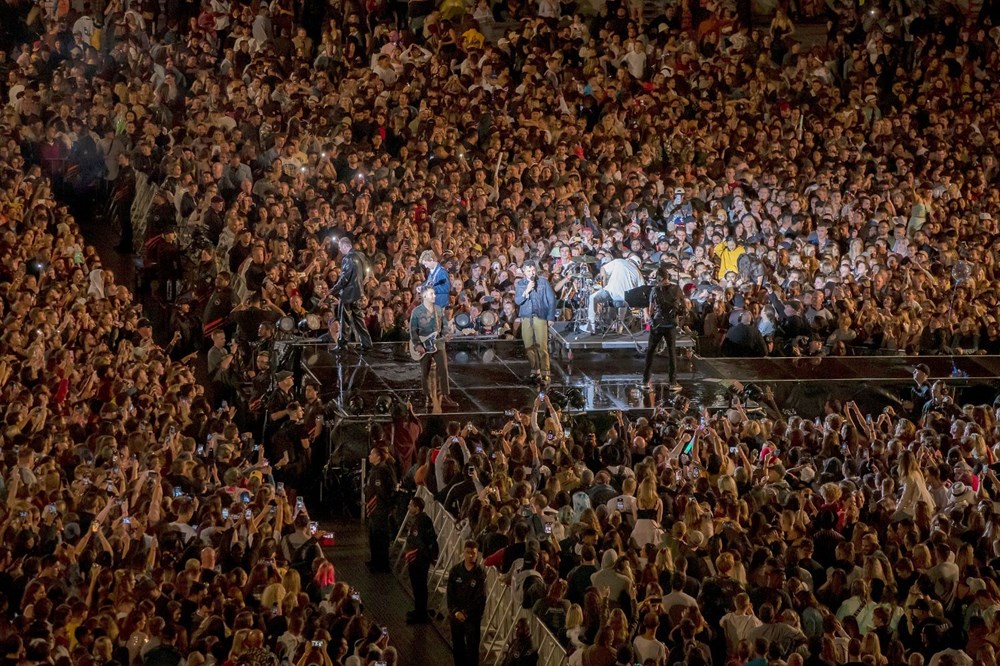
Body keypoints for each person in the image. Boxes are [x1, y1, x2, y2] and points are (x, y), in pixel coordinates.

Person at [409, 286, 459, 410]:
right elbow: (413, 330)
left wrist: (446, 334)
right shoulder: (416, 312)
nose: (434, 296)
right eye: (432, 294)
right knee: (424, 371)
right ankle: (428, 396)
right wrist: (417, 344)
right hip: (423, 344)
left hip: (438, 343)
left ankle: (445, 395)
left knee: (443, 369)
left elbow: (442, 327)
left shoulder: (438, 310)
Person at [643, 264, 686, 389]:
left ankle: (645, 380)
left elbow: (650, 310)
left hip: (657, 324)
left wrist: (646, 315)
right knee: (672, 352)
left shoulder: (654, 290)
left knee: (650, 351)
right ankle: (672, 382)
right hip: (671, 324)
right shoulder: (677, 289)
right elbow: (684, 307)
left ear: (658, 278)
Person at [514, 260, 556, 385]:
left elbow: (551, 300)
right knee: (528, 345)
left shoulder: (543, 282)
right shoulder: (521, 284)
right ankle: (535, 369)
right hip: (526, 317)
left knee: (542, 346)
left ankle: (545, 372)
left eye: (533, 270)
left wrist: (550, 317)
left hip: (540, 316)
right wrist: (526, 291)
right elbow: (517, 301)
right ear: (524, 272)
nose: (531, 273)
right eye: (528, 270)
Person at [447, 540, 487, 666]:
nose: (471, 555)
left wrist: (466, 613)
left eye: (473, 553)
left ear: (477, 554)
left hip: (472, 619)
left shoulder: (480, 573)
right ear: (463, 552)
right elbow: (450, 595)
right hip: (456, 616)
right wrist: (455, 612)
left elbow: (480, 598)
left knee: (472, 649)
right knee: (458, 647)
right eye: (468, 552)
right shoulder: (455, 571)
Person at [329, 236, 373, 351]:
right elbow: (365, 274)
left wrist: (333, 290)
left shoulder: (347, 258)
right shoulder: (361, 256)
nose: (340, 250)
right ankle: (367, 343)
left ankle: (342, 344)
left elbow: (344, 278)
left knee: (345, 320)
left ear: (344, 246)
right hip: (359, 293)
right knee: (359, 319)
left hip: (348, 294)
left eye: (340, 248)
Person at [586, 256, 645, 333]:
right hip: (626, 299)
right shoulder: (638, 273)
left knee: (592, 297)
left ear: (629, 259)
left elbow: (603, 269)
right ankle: (620, 326)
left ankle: (591, 326)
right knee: (623, 301)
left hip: (610, 292)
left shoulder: (619, 261)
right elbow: (642, 290)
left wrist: (604, 284)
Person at [404, 496, 439, 625]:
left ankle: (421, 613)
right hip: (416, 559)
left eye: (411, 505)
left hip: (419, 560)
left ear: (417, 508)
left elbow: (421, 542)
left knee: (420, 586)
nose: (408, 507)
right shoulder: (418, 520)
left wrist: (425, 557)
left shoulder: (421, 521)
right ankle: (418, 610)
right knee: (416, 586)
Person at [365, 446, 398, 573]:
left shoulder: (382, 471)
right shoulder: (375, 470)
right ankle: (375, 561)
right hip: (374, 509)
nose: (369, 456)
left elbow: (383, 491)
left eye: (372, 454)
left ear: (378, 457)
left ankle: (382, 564)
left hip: (380, 509)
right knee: (373, 536)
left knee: (380, 537)